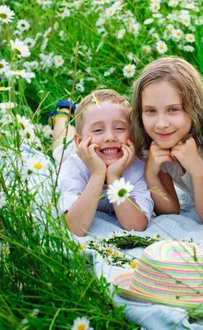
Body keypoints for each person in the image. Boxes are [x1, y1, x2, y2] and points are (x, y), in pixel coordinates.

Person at [130, 57, 203, 226]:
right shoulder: (155, 141)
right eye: (150, 111)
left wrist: (197, 170)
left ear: (195, 108)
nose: (161, 124)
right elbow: (170, 210)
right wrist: (151, 173)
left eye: (173, 110)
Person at [48, 90, 154, 236]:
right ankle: (61, 115)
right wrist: (98, 174)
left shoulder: (137, 165)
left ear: (133, 137)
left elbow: (135, 225)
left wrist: (113, 176)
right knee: (61, 139)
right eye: (98, 130)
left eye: (119, 128)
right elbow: (75, 228)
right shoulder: (73, 164)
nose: (110, 137)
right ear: (80, 142)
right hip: (72, 151)